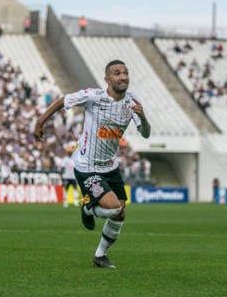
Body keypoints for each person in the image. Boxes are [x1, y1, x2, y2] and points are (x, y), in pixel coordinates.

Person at [35, 60, 151, 269]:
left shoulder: (133, 101)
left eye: (125, 72)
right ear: (107, 79)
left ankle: (100, 255)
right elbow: (64, 100)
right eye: (117, 73)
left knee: (120, 213)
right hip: (87, 165)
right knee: (112, 207)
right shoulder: (94, 97)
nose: (123, 76)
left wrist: (142, 116)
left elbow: (145, 133)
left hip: (110, 166)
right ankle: (88, 206)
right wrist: (40, 121)